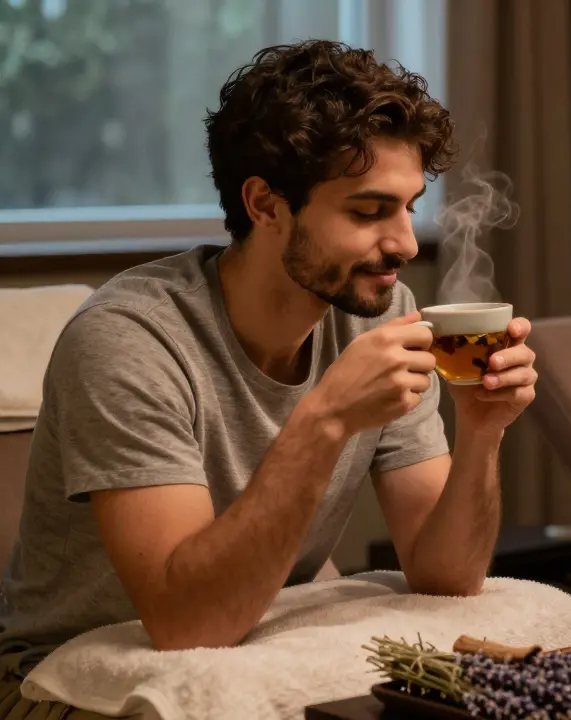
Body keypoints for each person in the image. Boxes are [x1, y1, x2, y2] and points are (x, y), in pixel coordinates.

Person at [0, 39, 538, 713]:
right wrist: (326, 418)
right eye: (369, 212)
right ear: (266, 206)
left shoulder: (380, 313)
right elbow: (186, 627)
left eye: (408, 206)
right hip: (68, 675)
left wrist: (482, 431)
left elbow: (445, 577)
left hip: (265, 640)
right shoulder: (129, 339)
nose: (403, 243)